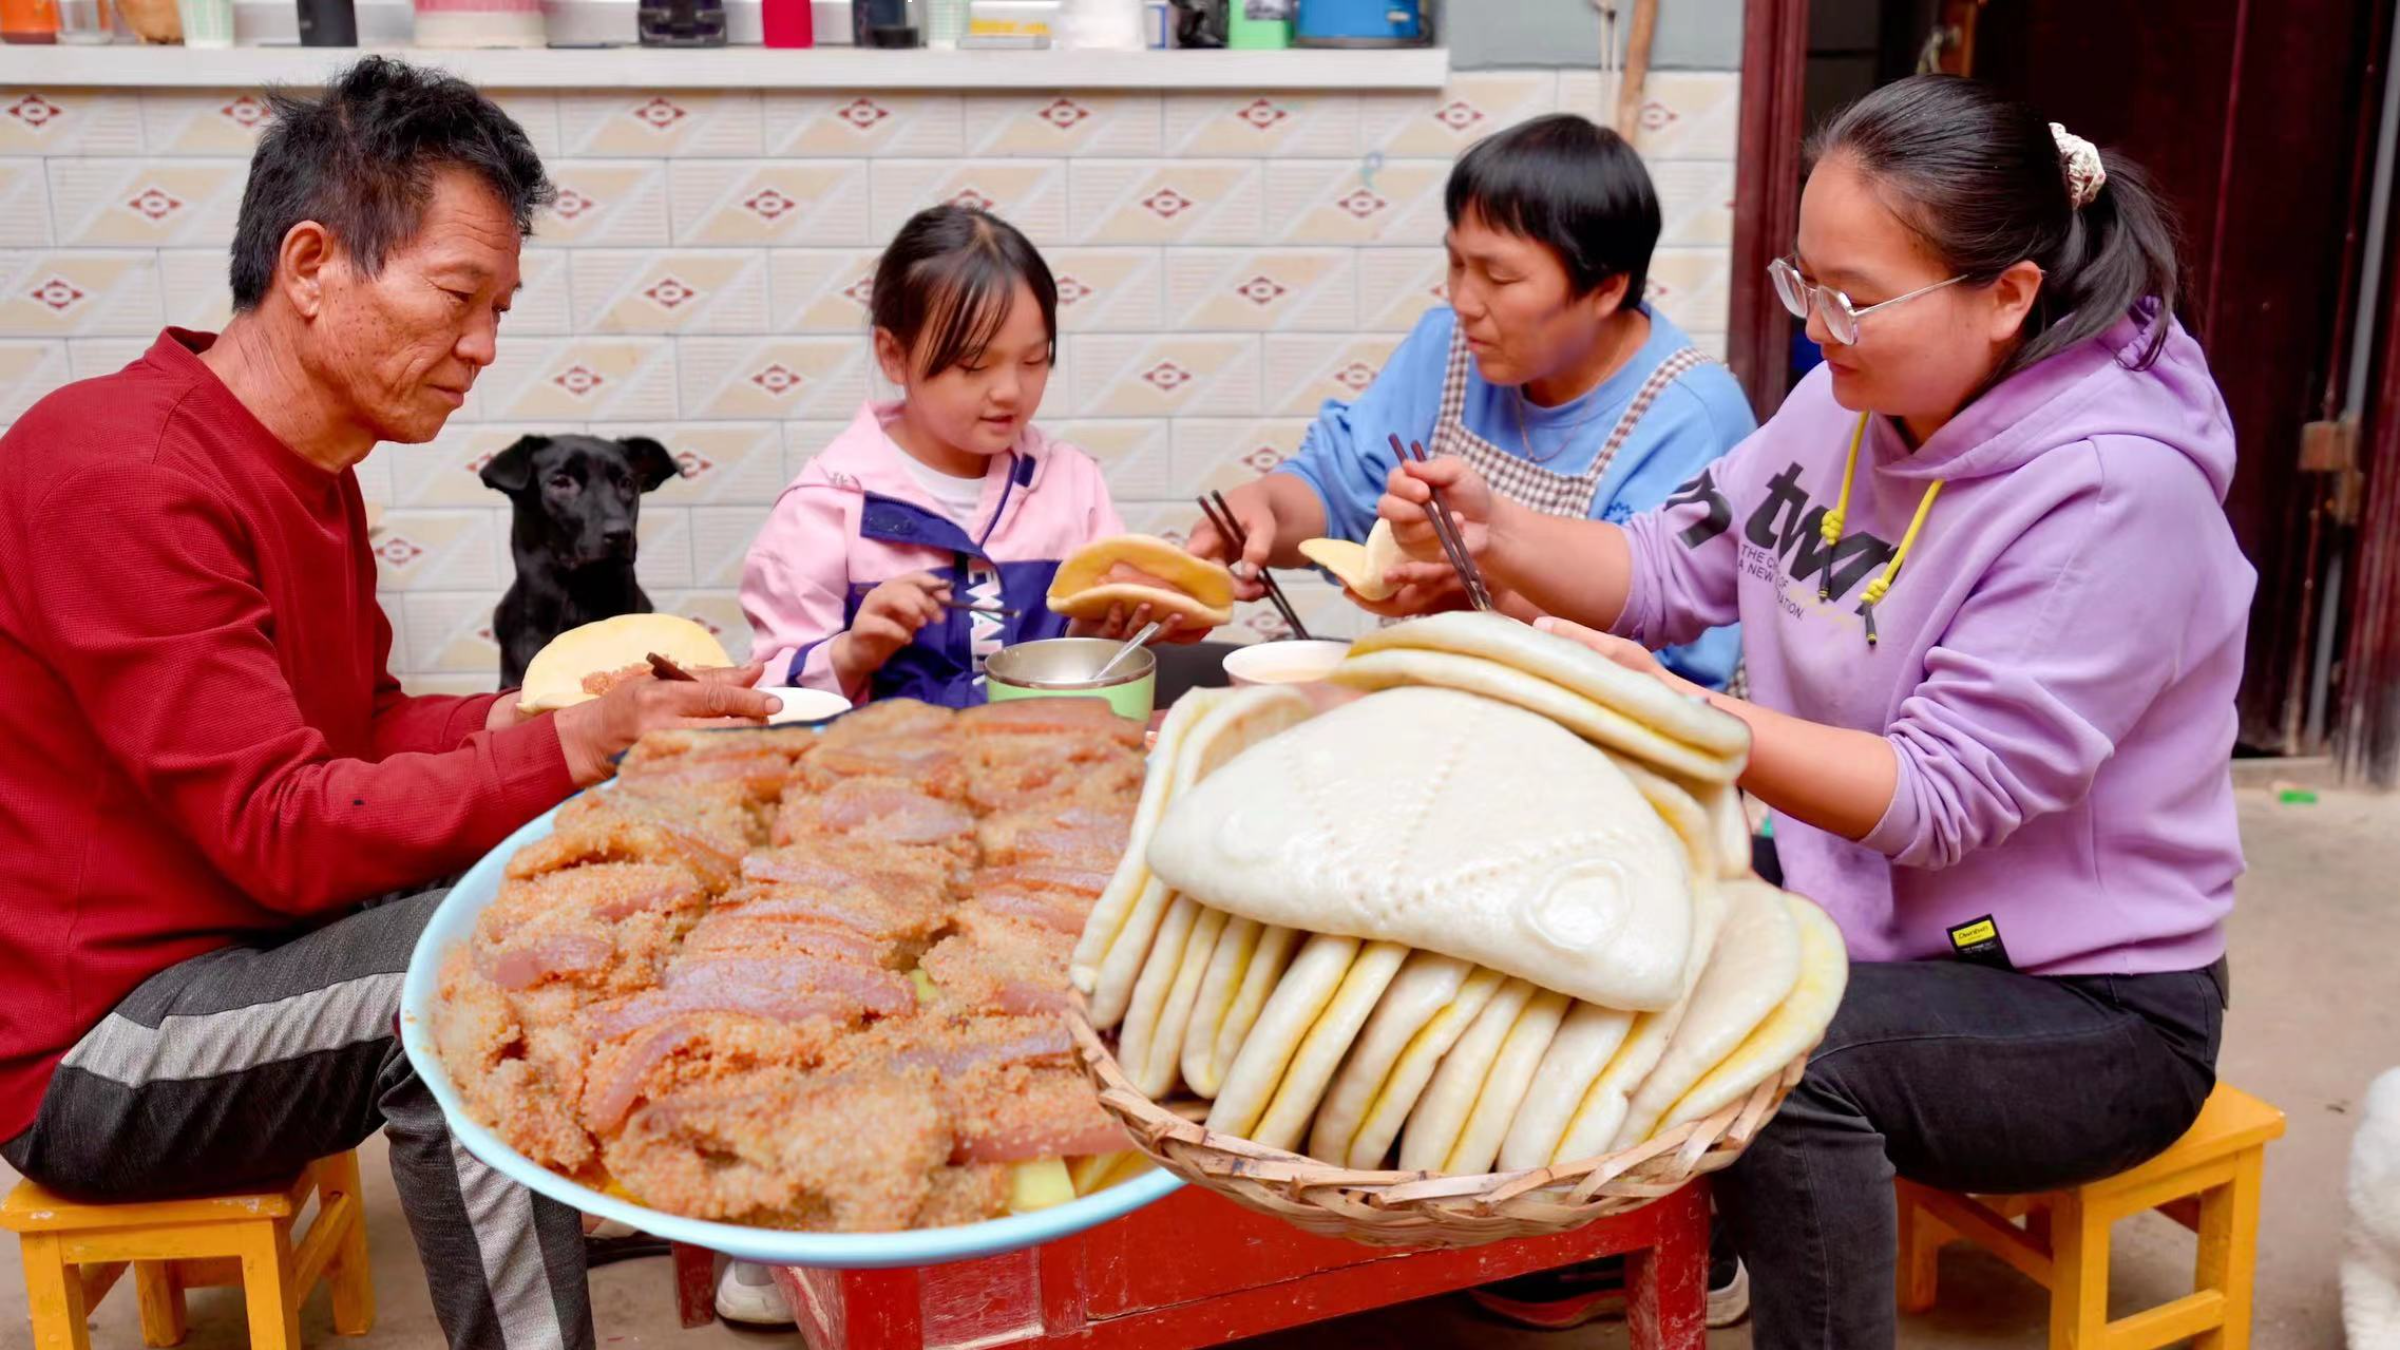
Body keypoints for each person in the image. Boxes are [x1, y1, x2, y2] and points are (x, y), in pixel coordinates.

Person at [1378, 75, 2242, 1348]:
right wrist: (1498, 535)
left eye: (1855, 295)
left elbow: (1939, 800)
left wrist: (1680, 716)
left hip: (2087, 1002)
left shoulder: (2116, 495)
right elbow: (1670, 570)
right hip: (1871, 914)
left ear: (2007, 295)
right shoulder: (1845, 399)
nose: (1818, 324)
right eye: (1806, 283)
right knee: (1580, 894)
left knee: (1781, 1063)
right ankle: (1649, 1235)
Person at [0, 59, 778, 1350]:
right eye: (459, 298)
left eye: (500, 308)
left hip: (242, 962)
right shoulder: (116, 469)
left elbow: (352, 727)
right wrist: (573, 745)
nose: (483, 348)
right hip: (100, 1048)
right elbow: (280, 823)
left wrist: (551, 716)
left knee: (571, 891)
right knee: (477, 984)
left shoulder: (314, 469)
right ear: (312, 265)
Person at [1190, 112, 1753, 689]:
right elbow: (1337, 492)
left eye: (1500, 278)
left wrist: (1484, 593)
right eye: (1457, 263)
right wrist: (1262, 510)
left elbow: (1671, 671)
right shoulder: (1447, 347)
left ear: (1607, 286)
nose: (1464, 300)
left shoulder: (1693, 415)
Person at [743, 205, 1201, 710]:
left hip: (1048, 770)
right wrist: (852, 652)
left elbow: (1100, 671)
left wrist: (1097, 634)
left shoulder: (1072, 484)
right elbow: (767, 699)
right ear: (893, 354)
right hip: (886, 780)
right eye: (975, 365)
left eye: (1033, 360)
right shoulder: (826, 508)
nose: (1009, 391)